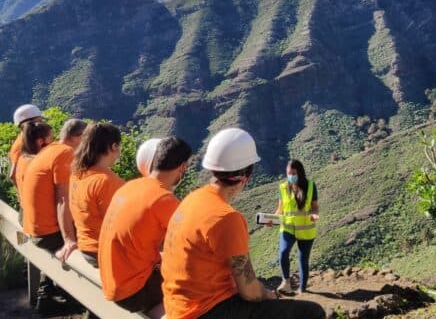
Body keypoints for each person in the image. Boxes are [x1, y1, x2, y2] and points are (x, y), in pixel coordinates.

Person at [161, 128, 324, 319]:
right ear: (246, 176)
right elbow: (250, 291)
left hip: (177, 305)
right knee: (312, 312)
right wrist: (269, 295)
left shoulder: (191, 199)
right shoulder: (226, 218)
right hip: (204, 311)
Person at [99, 136, 191, 314]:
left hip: (110, 280)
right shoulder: (164, 200)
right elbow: (192, 246)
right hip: (133, 293)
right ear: (182, 167)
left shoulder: (130, 186)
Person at [20, 118, 83, 315]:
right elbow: (62, 201)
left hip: (32, 228)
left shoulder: (50, 149)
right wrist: (70, 240)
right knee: (92, 241)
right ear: (78, 138)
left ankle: (46, 294)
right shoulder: (66, 154)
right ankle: (84, 302)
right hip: (46, 233)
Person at [68, 122, 124, 267]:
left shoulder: (77, 173)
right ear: (114, 146)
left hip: (86, 247)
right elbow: (119, 225)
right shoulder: (107, 181)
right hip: (103, 251)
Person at [271, 159, 319, 295]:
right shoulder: (283, 187)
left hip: (306, 230)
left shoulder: (310, 186)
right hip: (288, 228)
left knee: (303, 259)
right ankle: (286, 282)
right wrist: (271, 220)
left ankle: (302, 290)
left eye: (293, 173)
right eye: (288, 173)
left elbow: (315, 207)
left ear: (300, 173)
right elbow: (280, 209)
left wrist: (314, 215)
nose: (290, 176)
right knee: (283, 252)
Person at [8, 103, 43, 186]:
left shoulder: (25, 140)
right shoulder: (22, 144)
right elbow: (13, 175)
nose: (42, 124)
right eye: (40, 121)